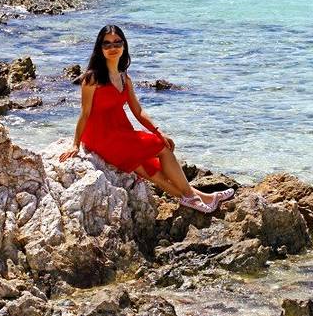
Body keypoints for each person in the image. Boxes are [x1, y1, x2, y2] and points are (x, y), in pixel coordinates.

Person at [59, 25, 234, 213]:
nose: (113, 48)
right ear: (100, 48)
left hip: (121, 131)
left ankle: (203, 198)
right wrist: (75, 144)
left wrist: (158, 132)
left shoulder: (124, 78)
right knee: (161, 148)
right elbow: (85, 113)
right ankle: (192, 197)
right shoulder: (92, 78)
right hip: (101, 136)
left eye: (117, 43)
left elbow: (138, 111)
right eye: (107, 44)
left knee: (150, 168)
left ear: (124, 45)